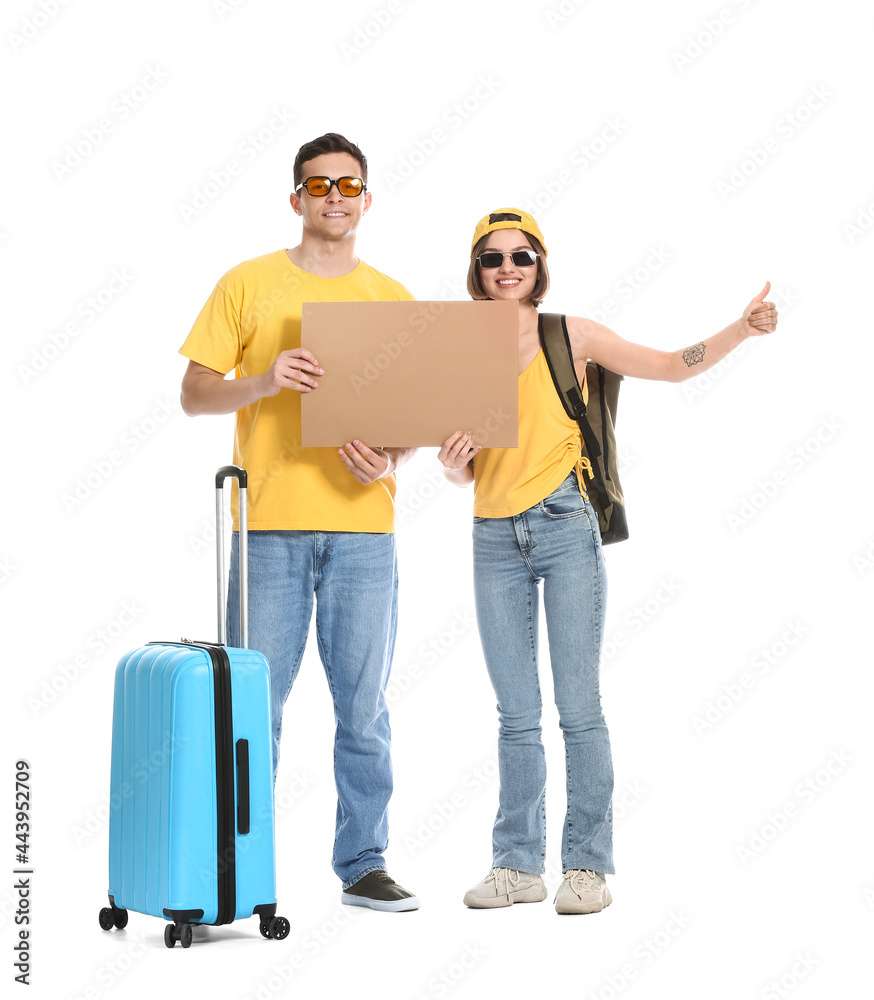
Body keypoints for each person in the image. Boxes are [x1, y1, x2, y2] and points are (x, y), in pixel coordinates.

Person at [439, 208, 778, 914]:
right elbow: (469, 467)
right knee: (514, 713)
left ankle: (586, 867)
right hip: (492, 535)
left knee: (578, 707)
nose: (508, 268)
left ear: (539, 266)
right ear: (477, 270)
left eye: (522, 256)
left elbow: (666, 366)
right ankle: (517, 866)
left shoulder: (575, 336)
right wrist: (452, 467)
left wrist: (739, 330)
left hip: (564, 527)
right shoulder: (462, 349)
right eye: (494, 257)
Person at [178, 133, 419, 912]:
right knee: (252, 708)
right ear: (297, 200)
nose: (336, 197)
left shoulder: (393, 299)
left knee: (364, 709)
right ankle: (239, 867)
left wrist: (390, 459)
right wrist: (264, 380)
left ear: (367, 200)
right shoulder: (247, 285)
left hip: (363, 535)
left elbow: (413, 421)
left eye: (349, 185)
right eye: (320, 186)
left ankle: (364, 861)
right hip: (269, 529)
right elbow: (194, 393)